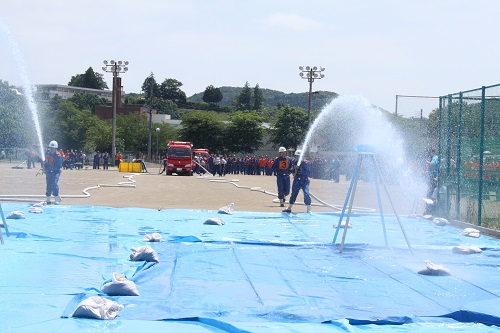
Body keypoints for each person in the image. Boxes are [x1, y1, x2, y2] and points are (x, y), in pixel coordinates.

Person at [43, 140, 63, 204]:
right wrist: (44, 168)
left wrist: (51, 168)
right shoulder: (47, 153)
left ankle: (56, 199)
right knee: (48, 184)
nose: (52, 149)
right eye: (51, 148)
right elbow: (46, 162)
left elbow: (59, 166)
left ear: (55, 148)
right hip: (49, 172)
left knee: (54, 184)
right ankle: (48, 199)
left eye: (53, 148)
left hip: (55, 172)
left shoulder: (58, 156)